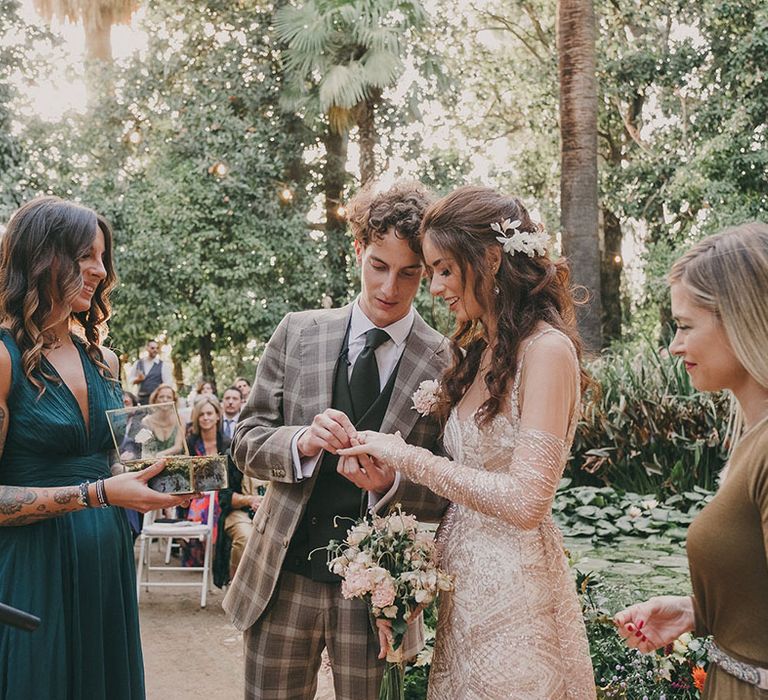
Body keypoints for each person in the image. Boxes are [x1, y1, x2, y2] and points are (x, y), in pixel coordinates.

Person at [340, 186, 597, 699]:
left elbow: (526, 501)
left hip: (515, 601)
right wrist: (408, 583)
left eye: (443, 269)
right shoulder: (480, 352)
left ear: (492, 260)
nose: (433, 288)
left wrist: (403, 454)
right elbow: (464, 505)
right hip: (464, 600)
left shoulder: (547, 351)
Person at [224, 181, 452, 700]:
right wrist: (301, 441)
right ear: (357, 250)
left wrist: (392, 482)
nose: (390, 287)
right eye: (378, 265)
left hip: (380, 595)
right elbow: (246, 440)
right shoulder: (295, 331)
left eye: (409, 273)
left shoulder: (447, 361)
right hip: (283, 578)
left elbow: (452, 483)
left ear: (428, 271)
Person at [0, 196, 190, 699]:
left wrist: (162, 478)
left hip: (105, 559)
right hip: (31, 566)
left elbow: (115, 462)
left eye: (102, 257)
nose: (100, 271)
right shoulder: (3, 358)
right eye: (86, 256)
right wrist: (98, 494)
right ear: (42, 257)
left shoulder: (104, 359)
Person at [614, 223, 768, 699]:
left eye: (684, 326)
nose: (675, 346)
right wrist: (694, 612)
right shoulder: (750, 439)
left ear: (742, 319)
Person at [180, 396, 229, 568]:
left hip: (223, 494)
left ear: (217, 416)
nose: (206, 417)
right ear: (196, 418)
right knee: (203, 500)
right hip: (195, 493)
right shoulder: (190, 444)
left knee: (212, 499)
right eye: (201, 414)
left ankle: (211, 550)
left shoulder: (227, 443)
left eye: (210, 413)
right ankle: (206, 550)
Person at [139, 384, 185, 457]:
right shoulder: (146, 421)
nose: (165, 400)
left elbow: (178, 447)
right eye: (161, 397)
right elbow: (146, 449)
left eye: (169, 397)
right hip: (154, 463)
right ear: (155, 399)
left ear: (174, 400)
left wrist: (160, 454)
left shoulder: (180, 419)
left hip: (176, 462)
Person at [128, 339, 173, 405]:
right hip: (141, 399)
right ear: (147, 348)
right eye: (152, 348)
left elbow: (168, 383)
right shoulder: (138, 363)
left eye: (157, 348)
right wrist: (138, 379)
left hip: (156, 400)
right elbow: (130, 380)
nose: (155, 350)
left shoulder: (163, 365)